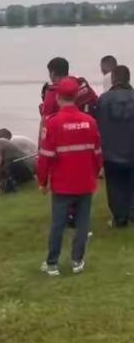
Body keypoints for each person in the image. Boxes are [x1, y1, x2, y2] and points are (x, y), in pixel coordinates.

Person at [38, 78, 103, 276]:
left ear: (58, 97)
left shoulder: (53, 122)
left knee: (58, 223)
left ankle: (52, 264)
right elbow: (98, 154)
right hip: (85, 181)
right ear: (76, 97)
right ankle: (77, 261)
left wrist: (42, 181)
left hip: (62, 184)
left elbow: (45, 156)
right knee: (83, 223)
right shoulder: (90, 121)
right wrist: (93, 174)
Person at [96, 65, 134, 227]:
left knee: (115, 186)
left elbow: (97, 126)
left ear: (113, 79)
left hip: (111, 151)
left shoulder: (103, 100)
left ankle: (119, 218)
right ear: (128, 78)